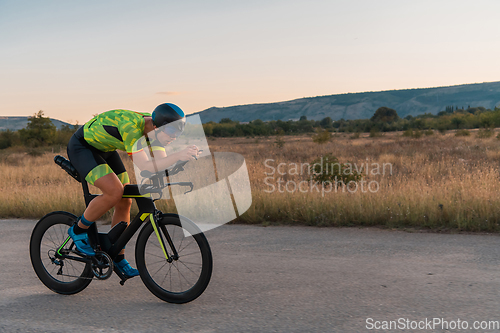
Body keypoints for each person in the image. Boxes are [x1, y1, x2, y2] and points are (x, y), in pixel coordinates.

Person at [66, 103, 199, 278]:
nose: (175, 137)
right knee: (114, 192)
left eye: (179, 133)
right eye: (172, 132)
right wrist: (177, 155)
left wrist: (181, 161)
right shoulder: (132, 128)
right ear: (158, 127)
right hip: (83, 148)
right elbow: (145, 166)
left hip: (105, 149)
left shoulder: (155, 132)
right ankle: (78, 229)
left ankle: (118, 257)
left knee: (125, 200)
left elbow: (160, 163)